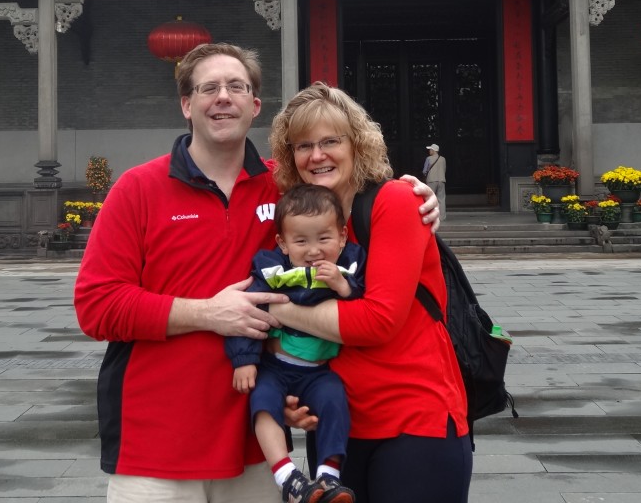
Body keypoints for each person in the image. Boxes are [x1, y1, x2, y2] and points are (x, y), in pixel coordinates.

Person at [74, 43, 439, 503]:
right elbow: (96, 306)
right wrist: (207, 313)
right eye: (209, 88)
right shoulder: (138, 189)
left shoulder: (290, 190)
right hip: (156, 449)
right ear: (187, 105)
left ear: (256, 106)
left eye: (237, 87)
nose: (223, 97)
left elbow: (350, 214)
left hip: (258, 448)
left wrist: (415, 194)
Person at [269, 83, 472, 503]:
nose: (317, 155)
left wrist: (274, 307)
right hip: (336, 428)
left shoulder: (395, 201)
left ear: (357, 145)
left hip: (413, 422)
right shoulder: (300, 219)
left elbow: (377, 322)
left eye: (330, 141)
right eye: (303, 145)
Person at [226, 184, 362, 503]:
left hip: (319, 371)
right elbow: (247, 308)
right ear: (283, 243)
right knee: (262, 405)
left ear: (342, 237)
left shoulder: (349, 265)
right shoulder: (272, 269)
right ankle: (287, 476)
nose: (314, 250)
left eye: (324, 239)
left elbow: (369, 299)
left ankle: (329, 475)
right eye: (301, 241)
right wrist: (243, 360)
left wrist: (344, 286)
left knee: (335, 403)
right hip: (275, 367)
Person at [423, 143, 447, 220]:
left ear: (434, 150)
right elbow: (444, 169)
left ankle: (431, 216)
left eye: (430, 149)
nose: (429, 151)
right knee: (441, 199)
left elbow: (424, 171)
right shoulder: (443, 159)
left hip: (431, 180)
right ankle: (442, 217)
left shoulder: (428, 159)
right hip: (441, 180)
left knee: (430, 198)